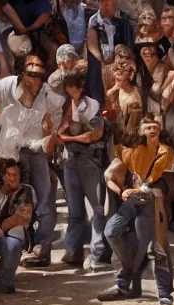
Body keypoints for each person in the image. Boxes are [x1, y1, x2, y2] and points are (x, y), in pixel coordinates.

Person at [0, 53, 61, 268]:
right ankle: (14, 249)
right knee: (11, 200)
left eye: (40, 72)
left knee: (45, 198)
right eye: (32, 72)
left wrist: (51, 138)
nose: (36, 77)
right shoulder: (5, 87)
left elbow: (55, 115)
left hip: (36, 151)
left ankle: (42, 248)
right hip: (11, 153)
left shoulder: (46, 92)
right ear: (22, 72)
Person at [99, 115, 174, 305]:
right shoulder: (134, 151)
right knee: (111, 231)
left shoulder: (165, 152)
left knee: (156, 247)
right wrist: (121, 190)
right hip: (134, 201)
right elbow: (109, 174)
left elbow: (162, 183)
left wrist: (139, 189)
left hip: (155, 202)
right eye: (147, 127)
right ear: (140, 130)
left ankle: (164, 294)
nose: (151, 129)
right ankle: (125, 278)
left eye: (154, 126)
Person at [57, 72, 112, 271]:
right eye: (70, 87)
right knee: (75, 210)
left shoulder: (92, 105)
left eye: (76, 87)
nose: (73, 91)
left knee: (97, 209)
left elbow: (93, 135)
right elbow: (59, 132)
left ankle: (97, 252)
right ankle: (73, 251)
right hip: (71, 161)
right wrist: (71, 136)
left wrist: (70, 138)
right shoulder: (66, 106)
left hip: (90, 161)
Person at [0, 157, 35, 293]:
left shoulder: (25, 192)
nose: (14, 179)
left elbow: (20, 220)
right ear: (3, 176)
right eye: (10, 175)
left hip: (4, 238)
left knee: (13, 244)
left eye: (17, 175)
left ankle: (4, 281)